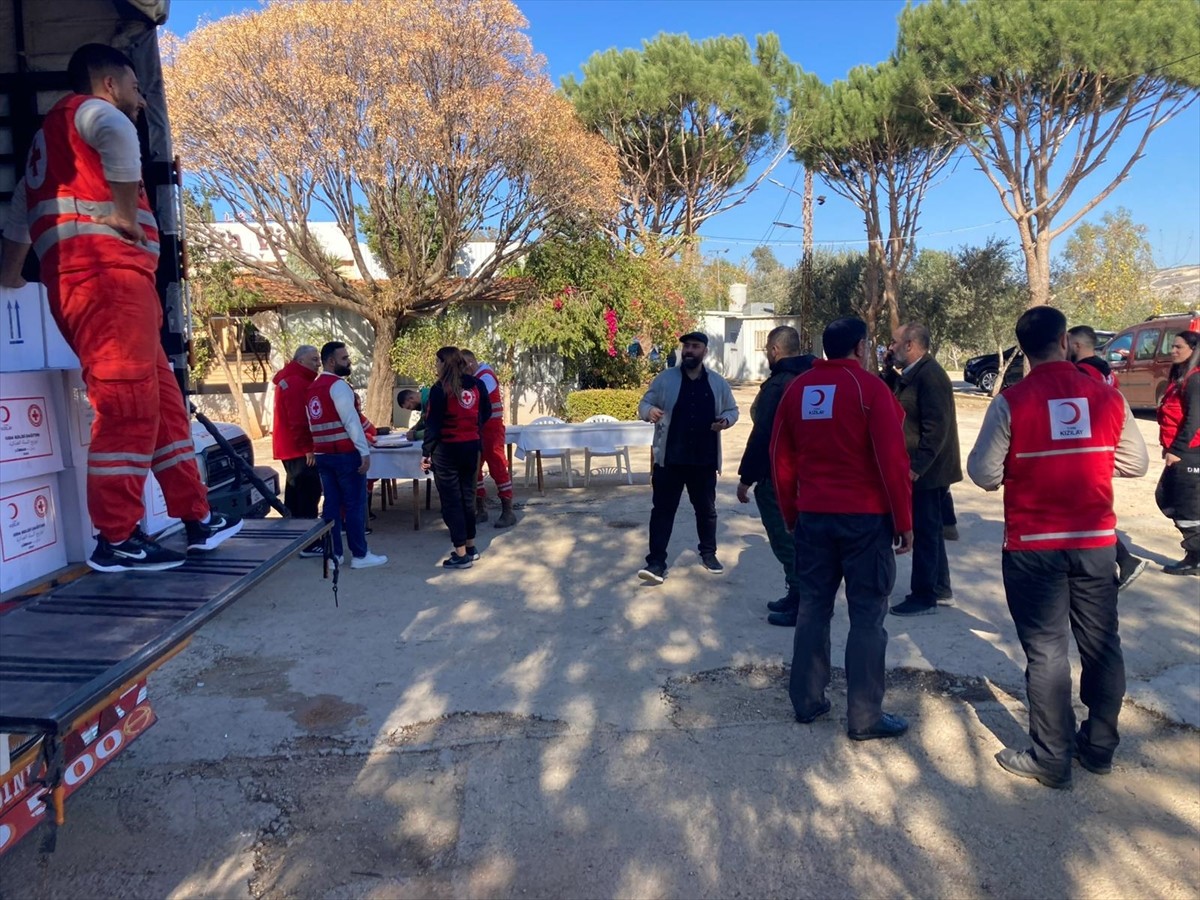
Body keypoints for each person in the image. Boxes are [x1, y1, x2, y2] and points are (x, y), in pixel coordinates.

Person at [0, 43, 240, 572]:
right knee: (130, 408)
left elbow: (19, 214)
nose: (139, 98)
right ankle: (116, 538)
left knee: (162, 409)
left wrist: (11, 278)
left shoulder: (51, 146)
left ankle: (196, 517)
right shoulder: (89, 113)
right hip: (106, 282)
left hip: (110, 287)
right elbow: (115, 130)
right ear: (108, 83)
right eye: (135, 86)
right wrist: (127, 214)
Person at [968, 306, 1148, 789]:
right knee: (1102, 645)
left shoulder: (1012, 401)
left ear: (1022, 347)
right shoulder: (1107, 397)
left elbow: (983, 473)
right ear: (1065, 339)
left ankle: (1051, 758)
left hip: (1032, 547)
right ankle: (1100, 748)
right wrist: (1085, 461)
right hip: (1094, 543)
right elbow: (1135, 463)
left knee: (1046, 652)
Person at [771, 317, 913, 740]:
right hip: (864, 521)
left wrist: (792, 516)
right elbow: (894, 461)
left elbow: (781, 458)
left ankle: (808, 702)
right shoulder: (870, 391)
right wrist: (904, 522)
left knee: (813, 609)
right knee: (867, 615)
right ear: (861, 347)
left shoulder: (797, 390)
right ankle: (865, 716)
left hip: (814, 518)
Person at [636, 332, 739, 584]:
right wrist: (649, 411)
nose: (689, 351)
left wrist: (725, 421)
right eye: (686, 347)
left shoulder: (717, 383)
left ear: (705, 351)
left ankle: (708, 554)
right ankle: (656, 563)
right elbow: (644, 403)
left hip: (703, 461)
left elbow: (732, 410)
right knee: (662, 511)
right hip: (670, 460)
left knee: (706, 510)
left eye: (695, 346)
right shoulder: (665, 379)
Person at [735, 325, 815, 626]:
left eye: (768, 350)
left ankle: (802, 603)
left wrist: (746, 478)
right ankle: (797, 595)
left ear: (775, 350)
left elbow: (764, 434)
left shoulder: (779, 384)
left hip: (778, 477)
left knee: (785, 540)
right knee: (802, 538)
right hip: (807, 476)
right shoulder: (812, 379)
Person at [883, 323, 962, 616]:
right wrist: (888, 370)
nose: (890, 348)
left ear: (911, 345)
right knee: (931, 532)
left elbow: (936, 429)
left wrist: (917, 467)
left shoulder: (930, 376)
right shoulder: (914, 374)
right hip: (924, 470)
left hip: (929, 473)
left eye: (894, 343)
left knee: (926, 534)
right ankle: (940, 589)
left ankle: (925, 596)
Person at [1067, 324, 1148, 590]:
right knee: (1090, 511)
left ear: (1076, 345)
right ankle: (1120, 562)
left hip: (1084, 450)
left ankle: (1124, 562)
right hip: (1103, 446)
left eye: (1067, 343)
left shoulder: (1082, 374)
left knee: (1085, 513)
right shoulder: (1106, 371)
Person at [306, 342, 387, 569]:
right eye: (344, 358)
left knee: (331, 506)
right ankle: (360, 555)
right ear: (331, 361)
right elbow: (351, 422)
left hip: (323, 455)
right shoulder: (339, 386)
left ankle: (334, 555)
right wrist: (364, 451)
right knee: (354, 505)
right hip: (345, 454)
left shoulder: (312, 389)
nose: (349, 361)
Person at [421, 346, 491, 569]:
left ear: (444, 363)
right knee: (468, 497)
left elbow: (433, 423)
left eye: (437, 362)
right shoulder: (477, 385)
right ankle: (470, 546)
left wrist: (426, 452)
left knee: (452, 501)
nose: (435, 366)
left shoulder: (441, 389)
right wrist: (474, 427)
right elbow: (486, 412)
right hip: (471, 448)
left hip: (447, 450)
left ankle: (460, 554)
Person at [272, 345, 324, 557]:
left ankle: (294, 538)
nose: (318, 363)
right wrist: (307, 449)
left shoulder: (291, 379)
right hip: (298, 448)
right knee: (308, 494)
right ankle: (309, 543)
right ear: (300, 361)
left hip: (290, 447)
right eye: (314, 359)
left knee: (295, 494)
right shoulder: (296, 382)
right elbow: (298, 420)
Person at [1156, 330, 1200, 576]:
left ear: (1193, 349)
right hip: (1180, 452)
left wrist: (1177, 450)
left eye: (1178, 347)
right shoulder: (1182, 377)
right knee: (1170, 499)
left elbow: (1195, 420)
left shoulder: (1195, 380)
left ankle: (1195, 556)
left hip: (1189, 453)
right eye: (1172, 346)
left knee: (1182, 505)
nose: (1173, 351)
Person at [460, 349, 516, 528]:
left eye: (462, 366)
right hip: (477, 429)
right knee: (474, 468)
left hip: (491, 428)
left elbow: (478, 395)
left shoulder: (485, 375)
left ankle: (508, 510)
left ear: (469, 363)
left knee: (498, 466)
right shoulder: (477, 375)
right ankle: (480, 508)